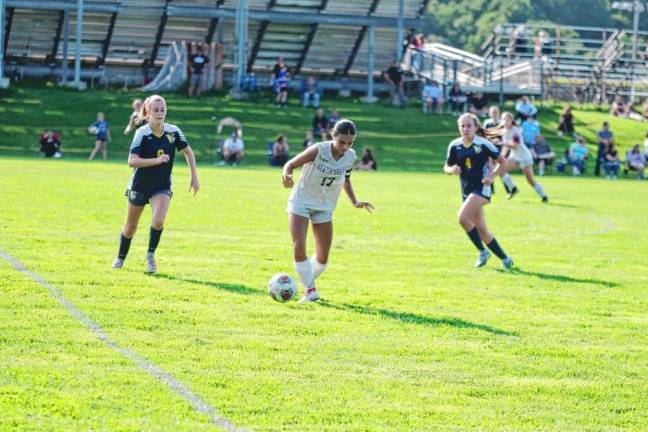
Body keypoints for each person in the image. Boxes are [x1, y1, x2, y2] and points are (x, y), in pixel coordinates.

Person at [282, 119, 374, 302]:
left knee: (323, 258)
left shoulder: (350, 156)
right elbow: (290, 164)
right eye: (342, 142)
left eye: (350, 142)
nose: (346, 146)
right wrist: (287, 175)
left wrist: (355, 201)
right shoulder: (319, 149)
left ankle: (305, 282)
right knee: (299, 248)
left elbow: (346, 179)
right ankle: (310, 290)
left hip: (324, 206)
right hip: (301, 201)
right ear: (333, 136)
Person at [111, 95, 199, 272]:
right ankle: (120, 258)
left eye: (162, 109)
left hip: (162, 185)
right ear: (148, 112)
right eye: (156, 110)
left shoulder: (173, 131)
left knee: (158, 221)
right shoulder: (142, 133)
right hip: (140, 185)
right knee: (130, 228)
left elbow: (188, 153)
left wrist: (194, 177)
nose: (160, 113)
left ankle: (150, 256)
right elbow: (132, 161)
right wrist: (156, 161)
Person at [444, 113, 513, 269]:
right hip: (466, 190)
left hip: (482, 188)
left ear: (476, 127)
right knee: (482, 230)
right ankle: (506, 259)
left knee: (462, 218)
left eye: (469, 125)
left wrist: (492, 176)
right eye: (462, 126)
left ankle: (482, 252)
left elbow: (503, 162)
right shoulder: (454, 145)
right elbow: (446, 166)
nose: (465, 129)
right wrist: (450, 169)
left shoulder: (483, 144)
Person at [499, 112, 548, 202]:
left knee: (530, 180)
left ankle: (544, 196)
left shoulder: (515, 131)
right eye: (504, 119)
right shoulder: (504, 132)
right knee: (501, 170)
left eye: (508, 119)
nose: (506, 121)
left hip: (525, 157)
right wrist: (501, 157)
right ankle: (513, 188)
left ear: (511, 120)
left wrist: (501, 143)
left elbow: (515, 145)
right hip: (515, 157)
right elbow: (505, 147)